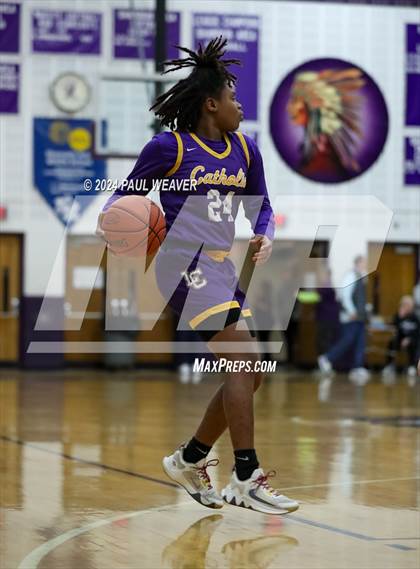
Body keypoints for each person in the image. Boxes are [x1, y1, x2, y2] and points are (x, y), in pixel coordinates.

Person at [96, 37, 298, 515]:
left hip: (220, 265)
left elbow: (262, 205)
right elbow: (120, 198)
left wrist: (264, 233)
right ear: (211, 104)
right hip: (181, 265)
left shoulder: (246, 151)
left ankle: (188, 458)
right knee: (245, 359)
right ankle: (245, 474)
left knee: (250, 374)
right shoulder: (168, 147)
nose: (240, 105)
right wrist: (121, 222)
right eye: (233, 98)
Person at [318, 255, 370, 383]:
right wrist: (352, 311)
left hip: (360, 317)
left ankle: (357, 367)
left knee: (360, 342)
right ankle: (327, 358)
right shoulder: (351, 276)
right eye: (364, 263)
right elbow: (345, 296)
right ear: (358, 263)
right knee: (346, 341)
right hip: (350, 317)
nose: (365, 265)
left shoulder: (361, 277)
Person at [382, 295, 420, 379]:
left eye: (408, 305)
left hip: (412, 340)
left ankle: (412, 366)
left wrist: (409, 339)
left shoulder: (415, 317)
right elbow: (395, 328)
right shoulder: (398, 315)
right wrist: (399, 317)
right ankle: (389, 365)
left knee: (413, 345)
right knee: (391, 343)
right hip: (400, 339)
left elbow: (417, 333)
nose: (406, 306)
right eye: (404, 304)